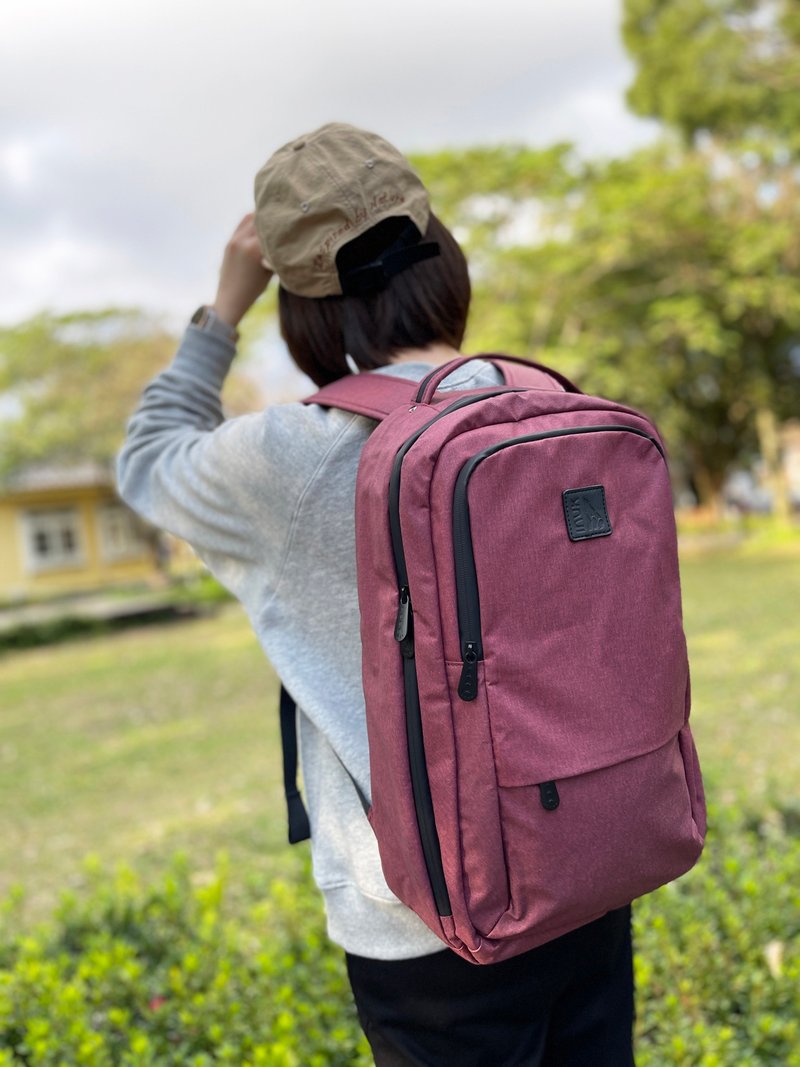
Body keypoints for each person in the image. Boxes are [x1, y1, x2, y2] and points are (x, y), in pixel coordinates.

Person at [117, 122, 636, 1066]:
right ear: (442, 260)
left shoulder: (289, 460)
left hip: (427, 922)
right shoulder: (539, 400)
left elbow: (147, 459)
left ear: (305, 308)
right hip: (593, 857)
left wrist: (222, 310)